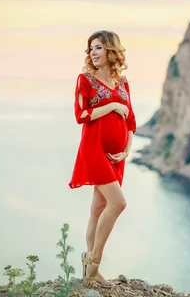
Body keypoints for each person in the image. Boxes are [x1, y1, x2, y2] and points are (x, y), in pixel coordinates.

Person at [68, 30, 136, 288]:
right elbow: (81, 114)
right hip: (94, 150)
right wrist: (112, 106)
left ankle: (89, 264)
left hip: (117, 156)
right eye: (91, 49)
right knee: (118, 204)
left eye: (98, 48)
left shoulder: (123, 82)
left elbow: (131, 121)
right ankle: (94, 265)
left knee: (98, 208)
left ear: (111, 50)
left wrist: (126, 150)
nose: (93, 53)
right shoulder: (85, 79)